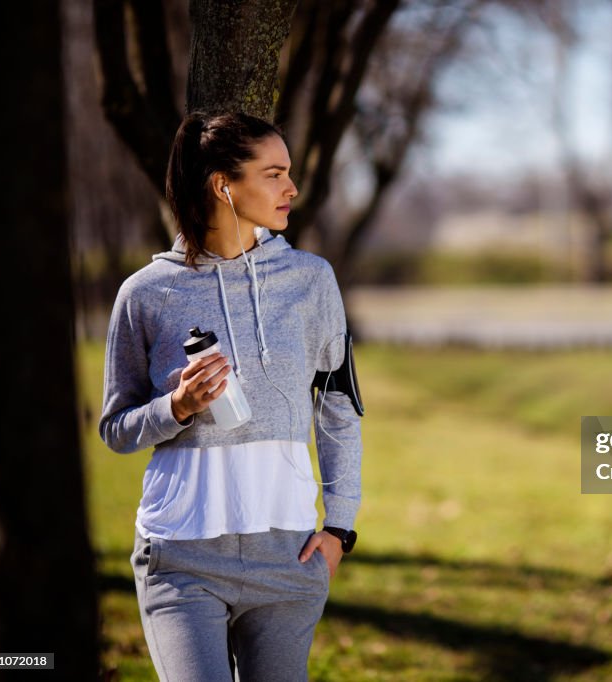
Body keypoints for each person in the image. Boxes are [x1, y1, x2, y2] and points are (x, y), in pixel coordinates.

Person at [98, 111, 363, 681]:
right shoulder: (145, 294)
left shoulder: (311, 281)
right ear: (223, 184)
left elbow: (338, 407)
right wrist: (176, 408)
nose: (291, 187)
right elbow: (115, 428)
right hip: (182, 559)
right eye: (273, 173)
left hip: (289, 560)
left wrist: (340, 528)